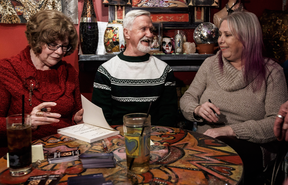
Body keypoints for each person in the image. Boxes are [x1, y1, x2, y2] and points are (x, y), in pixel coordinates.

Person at [180, 11, 288, 184]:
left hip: (251, 146)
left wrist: (230, 130)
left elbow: (275, 124)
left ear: (247, 39)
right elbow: (187, 98)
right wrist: (197, 109)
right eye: (220, 34)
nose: (220, 40)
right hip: (205, 143)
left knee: (215, 158)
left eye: (227, 35)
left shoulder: (272, 72)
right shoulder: (210, 64)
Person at [0, 10, 83, 156]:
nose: (59, 52)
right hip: (24, 153)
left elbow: (75, 114)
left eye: (64, 46)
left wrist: (77, 119)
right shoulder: (7, 70)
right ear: (36, 40)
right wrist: (25, 123)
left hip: (66, 151)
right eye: (52, 45)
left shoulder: (69, 72)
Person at [92, 9, 178, 126]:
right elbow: (102, 118)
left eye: (150, 30)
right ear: (127, 33)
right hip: (117, 139)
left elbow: (169, 115)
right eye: (143, 29)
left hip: (155, 139)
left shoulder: (164, 70)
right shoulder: (106, 71)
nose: (149, 34)